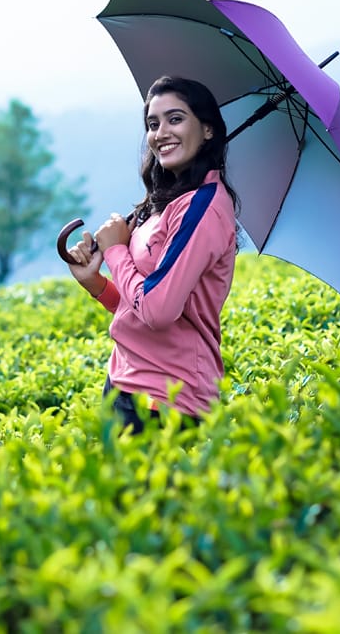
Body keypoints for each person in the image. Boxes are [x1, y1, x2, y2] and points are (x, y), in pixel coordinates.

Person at [63, 75, 239, 433]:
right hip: (124, 386)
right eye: (152, 123)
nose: (161, 133)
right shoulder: (167, 202)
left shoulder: (203, 208)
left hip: (167, 402)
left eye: (175, 119)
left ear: (207, 130)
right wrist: (96, 283)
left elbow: (158, 311)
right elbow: (137, 306)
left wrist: (114, 250)